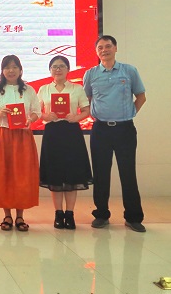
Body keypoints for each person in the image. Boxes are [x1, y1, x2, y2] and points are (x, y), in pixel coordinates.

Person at [83, 35, 147, 232]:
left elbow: (141, 96)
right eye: (100, 47)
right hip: (100, 129)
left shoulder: (129, 71)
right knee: (101, 173)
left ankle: (133, 217)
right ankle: (101, 214)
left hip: (125, 129)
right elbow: (87, 99)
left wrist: (129, 113)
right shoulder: (91, 74)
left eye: (108, 46)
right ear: (96, 52)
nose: (104, 50)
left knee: (128, 173)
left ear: (115, 48)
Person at [0, 55, 40, 232]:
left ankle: (20, 216)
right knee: (3, 174)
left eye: (15, 67)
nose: (11, 70)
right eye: (7, 67)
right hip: (1, 135)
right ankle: (7, 215)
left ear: (21, 70)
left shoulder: (29, 90)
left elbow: (36, 112)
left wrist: (30, 119)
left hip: (22, 135)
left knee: (22, 175)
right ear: (2, 71)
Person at [37, 55, 92, 229]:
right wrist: (46, 116)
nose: (58, 69)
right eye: (54, 66)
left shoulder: (77, 88)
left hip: (71, 132)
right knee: (55, 175)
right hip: (52, 133)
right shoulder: (44, 89)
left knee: (71, 174)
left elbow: (86, 110)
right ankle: (58, 213)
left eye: (62, 66)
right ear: (50, 70)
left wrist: (76, 117)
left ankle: (70, 214)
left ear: (68, 69)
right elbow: (36, 112)